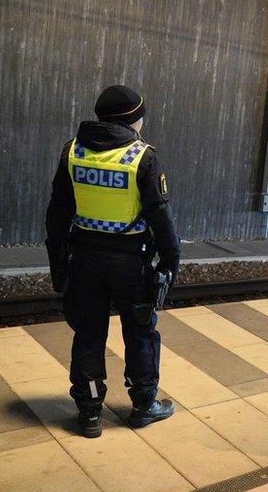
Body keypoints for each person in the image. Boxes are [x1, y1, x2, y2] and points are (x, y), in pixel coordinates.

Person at [45, 85, 180, 438]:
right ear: (131, 119)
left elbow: (58, 213)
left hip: (84, 259)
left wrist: (56, 263)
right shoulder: (143, 157)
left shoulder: (72, 152)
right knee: (140, 333)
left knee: (88, 334)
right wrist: (171, 260)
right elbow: (160, 217)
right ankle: (143, 405)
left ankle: (90, 412)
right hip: (131, 263)